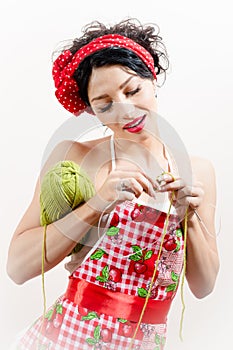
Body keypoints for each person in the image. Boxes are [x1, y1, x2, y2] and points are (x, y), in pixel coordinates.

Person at [7, 18, 219, 350]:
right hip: (65, 338)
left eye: (133, 90)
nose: (125, 109)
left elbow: (203, 286)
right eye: (105, 104)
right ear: (92, 111)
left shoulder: (198, 171)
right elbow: (17, 267)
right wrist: (98, 204)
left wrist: (187, 219)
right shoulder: (73, 157)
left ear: (153, 79)